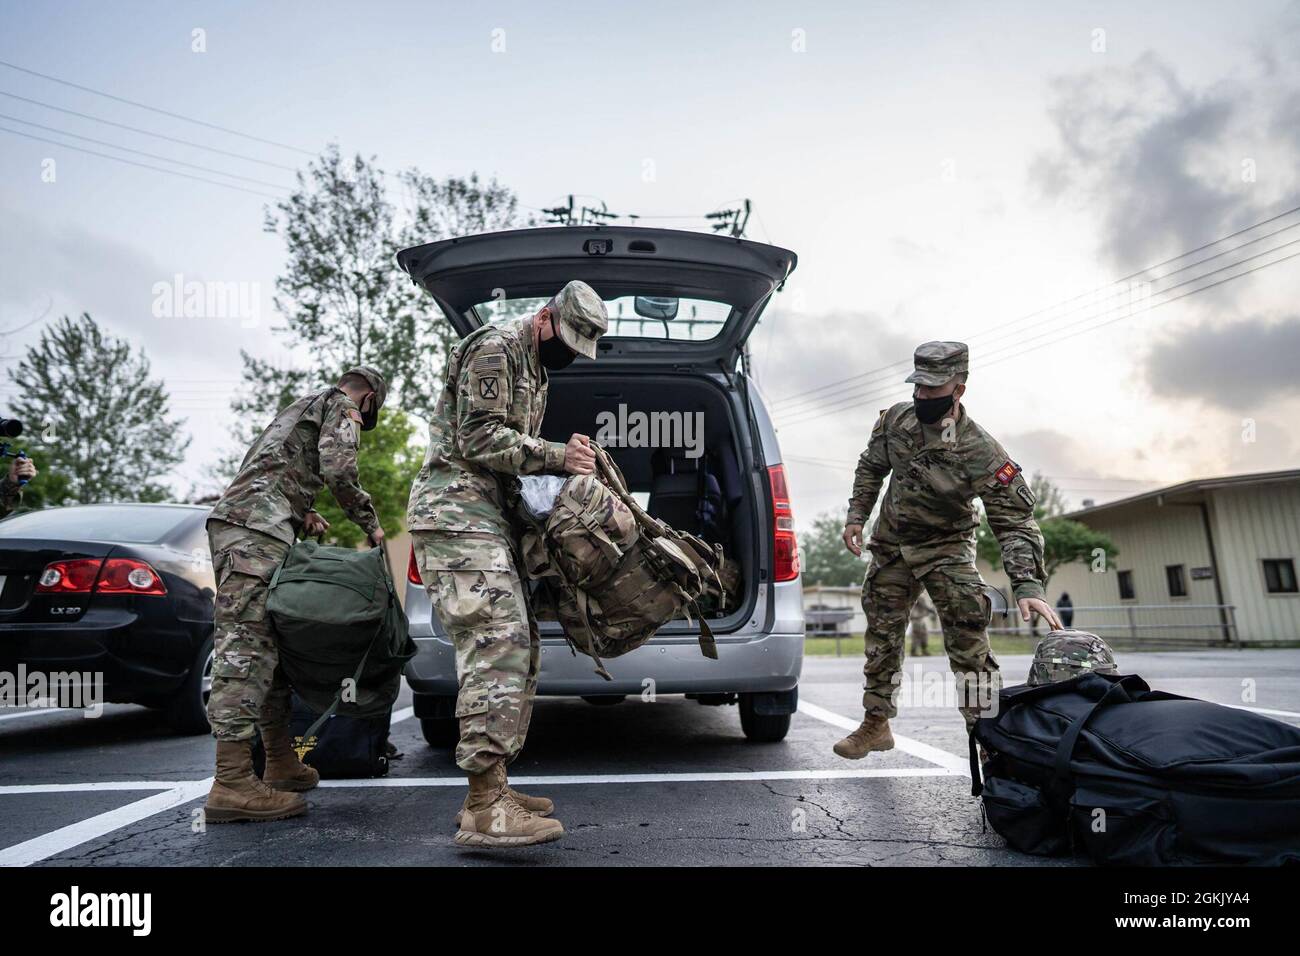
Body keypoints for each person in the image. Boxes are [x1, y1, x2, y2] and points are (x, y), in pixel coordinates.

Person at [407, 280, 608, 848]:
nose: (568, 355)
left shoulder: (535, 368)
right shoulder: (496, 348)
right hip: (456, 512)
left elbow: (508, 456)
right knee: (497, 641)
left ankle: (492, 785)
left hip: (489, 515)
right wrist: (555, 455)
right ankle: (484, 805)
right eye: (566, 341)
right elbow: (477, 438)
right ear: (545, 319)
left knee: (520, 642)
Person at [834, 341, 1062, 759]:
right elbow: (871, 466)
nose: (922, 396)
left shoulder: (981, 450)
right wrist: (856, 516)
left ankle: (990, 739)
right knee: (881, 636)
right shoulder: (896, 420)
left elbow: (1014, 520)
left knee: (969, 644)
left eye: (933, 389)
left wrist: (1028, 583)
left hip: (947, 550)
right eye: (918, 385)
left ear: (959, 389)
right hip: (893, 546)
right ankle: (876, 723)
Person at [203, 366, 388, 822]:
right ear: (368, 401)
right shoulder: (344, 407)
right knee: (244, 649)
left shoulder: (300, 406)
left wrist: (300, 510)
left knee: (271, 643)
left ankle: (280, 760)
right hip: (254, 533)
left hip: (253, 524)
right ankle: (230, 782)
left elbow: (271, 469)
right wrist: (373, 525)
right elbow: (340, 469)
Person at [908, 588, 935, 656]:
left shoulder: (920, 595)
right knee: (917, 635)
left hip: (921, 619)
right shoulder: (917, 595)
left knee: (924, 635)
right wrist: (931, 611)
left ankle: (924, 650)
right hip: (916, 619)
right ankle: (913, 651)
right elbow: (923, 605)